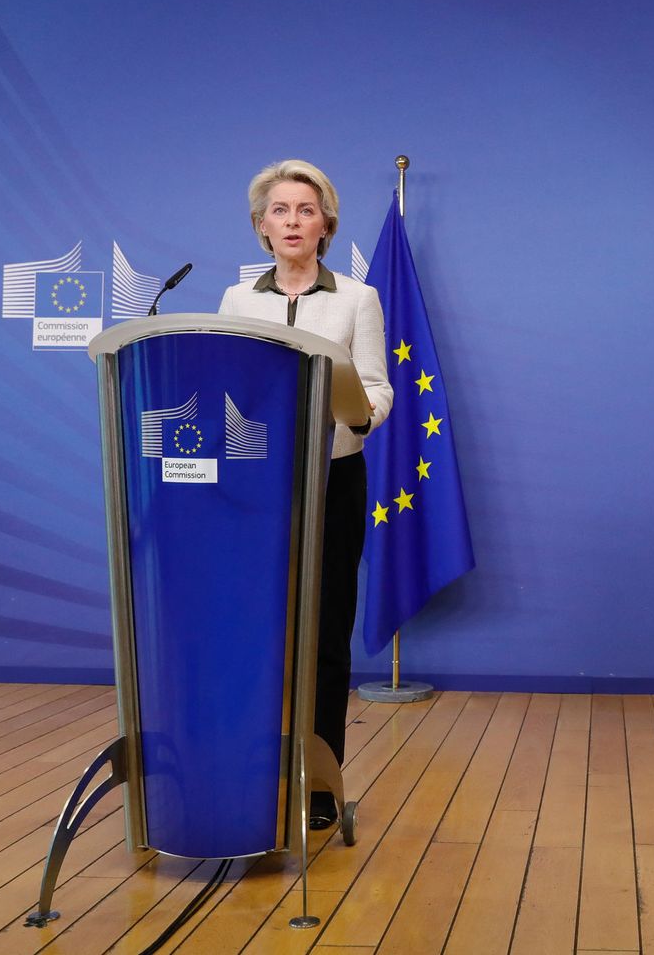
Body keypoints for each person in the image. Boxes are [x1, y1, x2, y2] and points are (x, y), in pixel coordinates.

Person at [219, 160, 394, 829]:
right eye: (280, 210)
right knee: (260, 631)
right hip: (257, 484)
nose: (293, 221)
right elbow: (232, 383)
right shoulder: (239, 302)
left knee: (323, 636)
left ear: (326, 224)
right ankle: (255, 770)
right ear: (261, 226)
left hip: (334, 479)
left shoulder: (356, 298)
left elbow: (378, 389)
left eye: (306, 209)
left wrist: (352, 416)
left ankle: (320, 782)